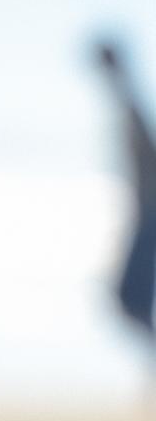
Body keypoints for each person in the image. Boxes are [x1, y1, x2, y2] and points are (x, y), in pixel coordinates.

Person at [90, 34, 156, 370]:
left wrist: (142, 212)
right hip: (143, 215)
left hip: (148, 216)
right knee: (131, 300)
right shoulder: (127, 104)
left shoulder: (131, 106)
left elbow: (148, 162)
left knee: (130, 300)